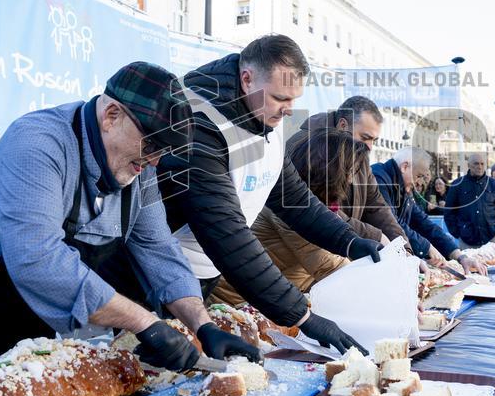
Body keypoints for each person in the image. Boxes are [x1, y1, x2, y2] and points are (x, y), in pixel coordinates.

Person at [0, 62, 260, 389]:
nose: (153, 161)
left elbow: (157, 248)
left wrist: (202, 323)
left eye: (162, 151)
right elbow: (37, 259)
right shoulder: (37, 144)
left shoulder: (141, 166)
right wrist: (145, 322)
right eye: (152, 144)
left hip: (23, 317)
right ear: (111, 115)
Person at [157, 35, 381, 355]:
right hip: (153, 278)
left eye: (294, 99)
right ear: (247, 79)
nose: (289, 109)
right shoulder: (199, 124)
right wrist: (301, 316)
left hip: (200, 278)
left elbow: (296, 200)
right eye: (280, 98)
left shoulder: (264, 117)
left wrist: (349, 241)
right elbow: (228, 235)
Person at [212, 129, 377, 305]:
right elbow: (331, 267)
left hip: (260, 299)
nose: (351, 181)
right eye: (350, 171)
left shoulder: (316, 205)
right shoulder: (296, 212)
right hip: (235, 304)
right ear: (332, 171)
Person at [286, 96, 411, 252]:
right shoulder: (306, 148)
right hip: (305, 253)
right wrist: (375, 235)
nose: (370, 147)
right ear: (343, 125)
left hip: (339, 251)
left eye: (374, 140)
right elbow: (317, 209)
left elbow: (376, 205)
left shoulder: (359, 153)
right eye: (365, 138)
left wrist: (404, 248)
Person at [374, 148, 485, 274]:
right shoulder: (380, 179)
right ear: (405, 167)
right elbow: (391, 223)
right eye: (419, 176)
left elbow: (423, 222)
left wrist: (459, 256)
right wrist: (426, 248)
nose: (420, 182)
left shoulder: (403, 187)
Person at [443, 153, 495, 250]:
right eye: (476, 163)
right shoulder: (457, 184)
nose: (480, 167)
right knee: (468, 265)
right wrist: (457, 233)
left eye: (482, 164)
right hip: (467, 241)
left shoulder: (493, 184)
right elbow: (449, 212)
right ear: (469, 165)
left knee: (493, 265)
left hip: (491, 239)